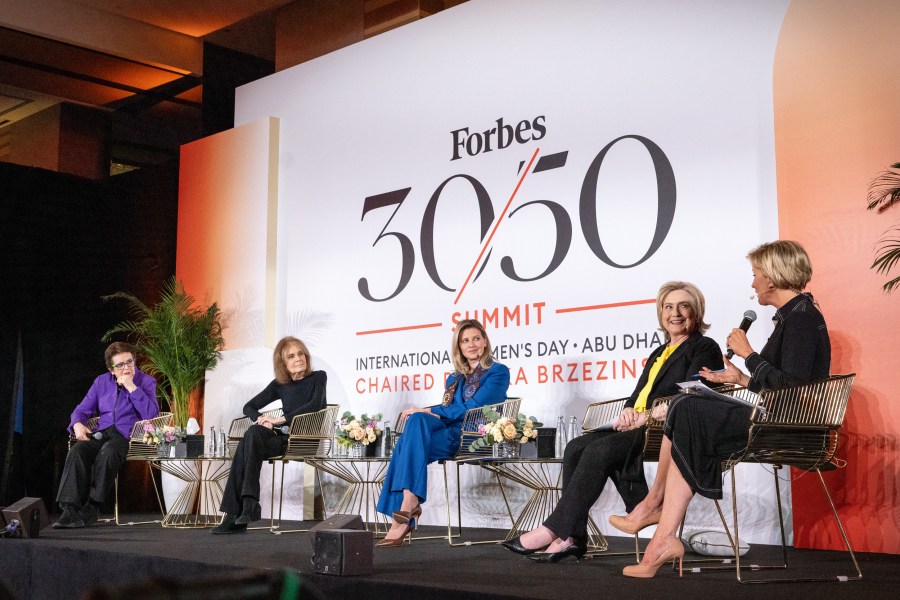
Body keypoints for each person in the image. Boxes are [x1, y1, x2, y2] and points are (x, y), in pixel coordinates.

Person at [612, 240, 830, 578]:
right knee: (685, 407)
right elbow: (779, 384)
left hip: (788, 425)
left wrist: (749, 354)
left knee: (685, 408)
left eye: (756, 274)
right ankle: (662, 532)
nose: (753, 283)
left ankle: (657, 518)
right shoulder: (793, 316)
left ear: (771, 278)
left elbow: (792, 389)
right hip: (773, 415)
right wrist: (739, 377)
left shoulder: (801, 318)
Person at [501, 282, 723, 562]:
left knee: (599, 451)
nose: (675, 313)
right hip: (638, 424)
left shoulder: (704, 347)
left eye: (684, 306)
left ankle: (553, 529)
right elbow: (638, 394)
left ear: (697, 312)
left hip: (665, 428)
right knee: (576, 447)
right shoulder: (660, 351)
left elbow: (694, 392)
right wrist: (630, 410)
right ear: (660, 313)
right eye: (668, 307)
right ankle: (573, 537)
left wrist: (654, 412)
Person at [375, 319, 510, 547]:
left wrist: (429, 410)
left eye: (476, 338)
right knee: (416, 422)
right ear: (458, 347)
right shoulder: (454, 377)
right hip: (449, 434)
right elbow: (448, 409)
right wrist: (427, 413)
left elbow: (474, 406)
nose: (471, 344)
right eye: (465, 340)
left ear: (485, 341)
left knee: (407, 443)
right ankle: (410, 500)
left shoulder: (497, 372)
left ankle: (404, 511)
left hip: (473, 437)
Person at [211, 336, 327, 534]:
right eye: (291, 356)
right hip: (281, 439)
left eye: (300, 354)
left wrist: (279, 420)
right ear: (283, 363)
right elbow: (248, 407)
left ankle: (235, 513)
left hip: (302, 441)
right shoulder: (279, 384)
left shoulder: (318, 377)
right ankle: (247, 504)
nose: (298, 358)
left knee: (248, 440)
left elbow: (314, 405)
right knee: (253, 433)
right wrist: (261, 418)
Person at [54, 342, 159, 528]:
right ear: (111, 369)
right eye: (120, 365)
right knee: (77, 451)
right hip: (102, 432)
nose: (126, 368)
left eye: (130, 362)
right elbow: (82, 409)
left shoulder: (146, 382)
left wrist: (132, 387)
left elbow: (151, 414)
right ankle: (70, 510)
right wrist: (77, 424)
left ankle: (93, 506)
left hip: (128, 435)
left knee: (109, 452)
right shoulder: (101, 382)